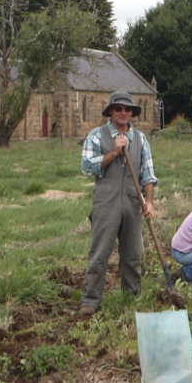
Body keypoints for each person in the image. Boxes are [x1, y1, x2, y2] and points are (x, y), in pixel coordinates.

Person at [80, 91, 157, 316]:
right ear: (111, 112)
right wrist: (114, 151)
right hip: (106, 203)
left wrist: (149, 202)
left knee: (132, 255)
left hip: (133, 203)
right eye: (118, 109)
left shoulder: (141, 139)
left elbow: (148, 174)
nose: (123, 113)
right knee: (100, 254)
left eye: (127, 109)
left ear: (132, 112)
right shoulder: (96, 135)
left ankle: (132, 296)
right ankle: (91, 299)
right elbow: (86, 167)